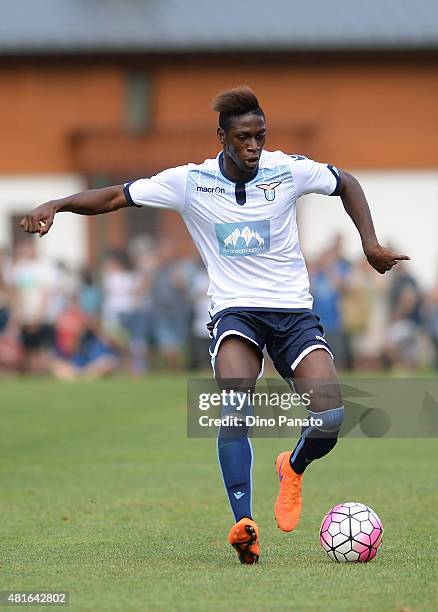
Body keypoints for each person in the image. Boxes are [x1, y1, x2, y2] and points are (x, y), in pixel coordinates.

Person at [20, 86, 409, 564]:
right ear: (222, 136)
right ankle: (243, 524)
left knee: (330, 417)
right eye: (244, 138)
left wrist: (369, 242)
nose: (254, 147)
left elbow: (345, 181)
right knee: (235, 410)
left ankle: (293, 467)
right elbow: (115, 197)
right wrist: (55, 205)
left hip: (293, 313)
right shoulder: (190, 182)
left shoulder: (286, 170)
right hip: (236, 312)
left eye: (260, 137)